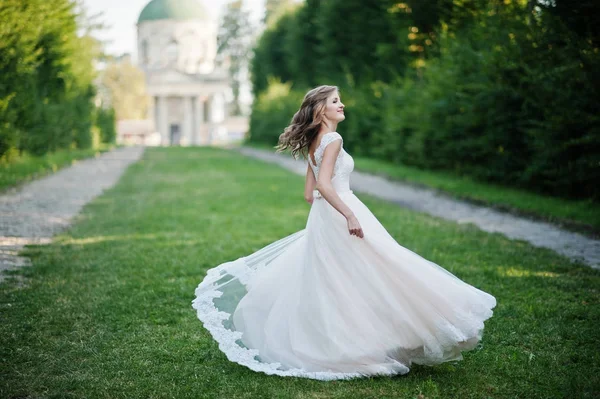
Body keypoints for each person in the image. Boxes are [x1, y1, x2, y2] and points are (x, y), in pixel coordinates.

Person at [192, 85, 497, 381]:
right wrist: (349, 213)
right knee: (382, 268)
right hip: (343, 211)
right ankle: (386, 339)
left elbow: (309, 194)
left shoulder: (315, 142)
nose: (342, 105)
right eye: (336, 101)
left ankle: (354, 342)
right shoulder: (333, 138)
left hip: (324, 217)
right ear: (321, 109)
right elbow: (323, 186)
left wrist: (329, 207)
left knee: (338, 279)